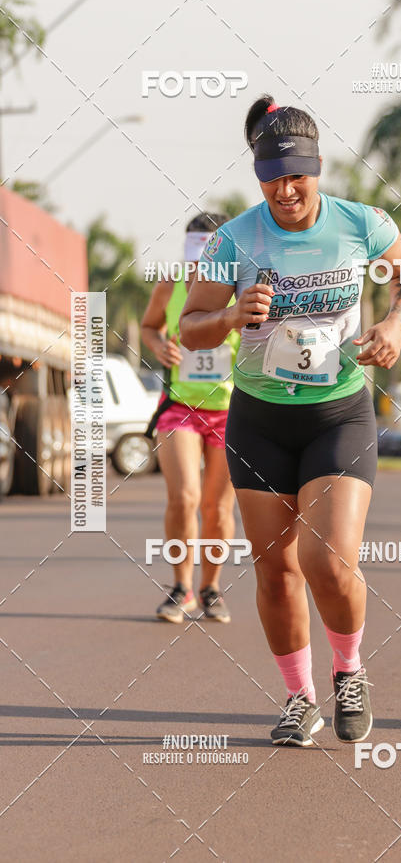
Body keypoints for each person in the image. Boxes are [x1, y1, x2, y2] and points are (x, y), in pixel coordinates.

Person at [179, 95, 401, 747]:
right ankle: (299, 697)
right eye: (271, 176)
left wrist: (396, 321)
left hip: (337, 414)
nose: (285, 190)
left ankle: (349, 670)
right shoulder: (235, 240)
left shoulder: (359, 223)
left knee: (325, 559)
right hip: (259, 421)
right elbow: (189, 326)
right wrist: (231, 317)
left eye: (297, 176)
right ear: (257, 173)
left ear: (317, 169)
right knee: (275, 570)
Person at [141, 213, 239, 624]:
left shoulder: (242, 285)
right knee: (185, 498)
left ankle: (211, 588)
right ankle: (181, 588)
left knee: (218, 507)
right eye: (195, 249)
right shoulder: (171, 283)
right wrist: (160, 345)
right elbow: (150, 326)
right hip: (179, 406)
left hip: (231, 411)